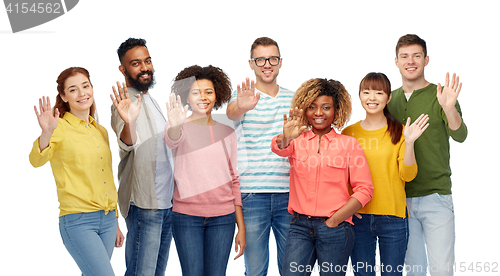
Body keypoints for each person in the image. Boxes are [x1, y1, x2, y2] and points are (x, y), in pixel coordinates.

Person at [271, 78, 374, 276]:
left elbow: (365, 189)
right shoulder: (296, 140)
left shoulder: (349, 144)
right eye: (312, 107)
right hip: (299, 227)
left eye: (326, 107)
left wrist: (336, 219)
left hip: (335, 229)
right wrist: (286, 137)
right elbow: (278, 148)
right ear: (305, 110)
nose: (318, 113)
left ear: (336, 110)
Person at [29, 67, 124, 276]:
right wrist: (46, 133)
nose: (82, 94)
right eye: (73, 90)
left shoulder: (100, 131)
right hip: (79, 220)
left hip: (107, 220)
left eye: (85, 86)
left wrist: (115, 221)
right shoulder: (58, 127)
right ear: (63, 96)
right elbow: (35, 160)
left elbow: (106, 178)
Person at [387, 34, 467, 276]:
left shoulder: (441, 95)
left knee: (442, 270)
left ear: (426, 59)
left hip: (436, 196)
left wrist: (449, 108)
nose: (410, 61)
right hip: (401, 200)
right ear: (396, 61)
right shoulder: (389, 100)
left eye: (416, 56)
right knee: (413, 271)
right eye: (405, 56)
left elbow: (460, 134)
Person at [342, 72, 429, 276]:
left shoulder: (400, 132)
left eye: (379, 92)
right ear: (360, 96)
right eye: (366, 92)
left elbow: (408, 175)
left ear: (388, 98)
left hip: (393, 217)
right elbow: (341, 178)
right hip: (359, 216)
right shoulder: (348, 134)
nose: (372, 98)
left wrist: (409, 142)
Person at [164, 65, 246, 275]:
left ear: (217, 95)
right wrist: (174, 126)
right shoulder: (177, 125)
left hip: (223, 218)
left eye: (208, 92)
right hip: (186, 217)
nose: (203, 97)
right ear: (187, 97)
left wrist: (241, 226)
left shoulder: (227, 132)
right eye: (196, 92)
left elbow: (234, 180)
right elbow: (172, 141)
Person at [226, 37, 294, 276]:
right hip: (252, 194)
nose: (267, 64)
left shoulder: (294, 99)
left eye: (272, 58)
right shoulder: (242, 97)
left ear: (280, 62)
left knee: (292, 269)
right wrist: (243, 107)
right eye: (260, 59)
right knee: (255, 270)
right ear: (251, 64)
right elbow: (231, 114)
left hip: (290, 194)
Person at [110, 38, 175, 276]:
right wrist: (129, 121)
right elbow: (127, 142)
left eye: (147, 61)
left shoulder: (151, 100)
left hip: (166, 204)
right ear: (123, 69)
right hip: (144, 204)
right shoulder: (123, 101)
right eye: (135, 63)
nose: (144, 67)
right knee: (141, 272)